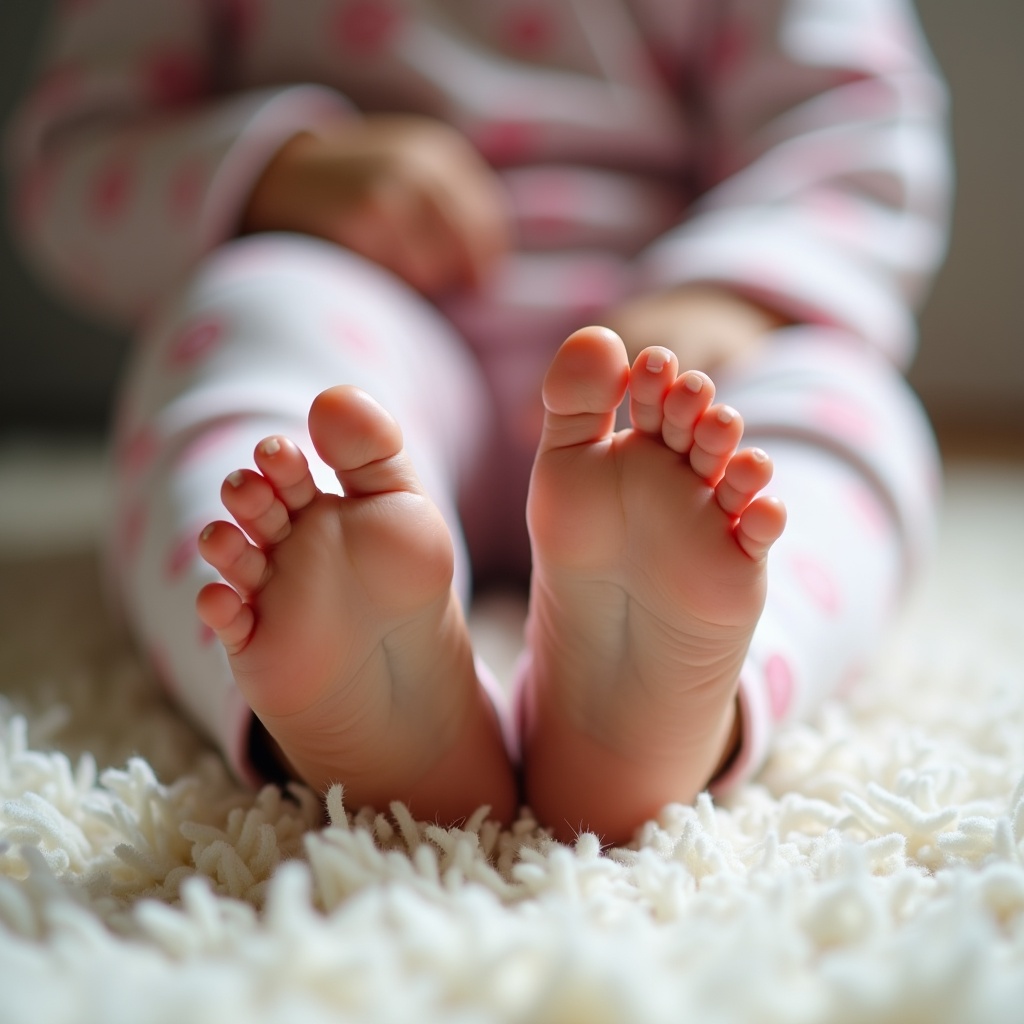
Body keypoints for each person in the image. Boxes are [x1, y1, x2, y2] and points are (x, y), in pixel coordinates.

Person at [7, 0, 952, 845]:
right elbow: (77, 150)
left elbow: (856, 122)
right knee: (247, 317)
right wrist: (274, 169)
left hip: (664, 362)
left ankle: (679, 713)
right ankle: (350, 701)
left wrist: (735, 290)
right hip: (364, 325)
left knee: (841, 396)